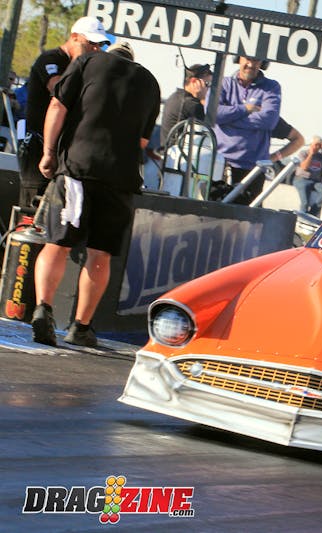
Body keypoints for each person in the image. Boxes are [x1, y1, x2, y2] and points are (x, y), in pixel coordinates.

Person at [31, 41, 160, 347]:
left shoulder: (87, 62)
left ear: (107, 53)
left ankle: (43, 308)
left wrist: (48, 153)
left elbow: (57, 106)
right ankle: (81, 326)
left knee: (57, 243)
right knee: (100, 254)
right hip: (120, 179)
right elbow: (143, 143)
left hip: (77, 168)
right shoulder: (150, 82)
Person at [17, 16, 110, 208]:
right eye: (91, 43)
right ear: (75, 37)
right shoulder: (51, 59)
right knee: (32, 204)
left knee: (58, 207)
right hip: (37, 142)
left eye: (99, 45)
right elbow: (59, 91)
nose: (96, 49)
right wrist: (78, 64)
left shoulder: (85, 67)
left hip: (63, 148)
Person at [213, 56, 281, 205]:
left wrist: (229, 118)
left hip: (252, 170)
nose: (250, 64)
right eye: (247, 59)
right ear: (238, 59)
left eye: (256, 60)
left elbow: (269, 120)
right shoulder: (223, 83)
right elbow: (214, 113)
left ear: (263, 63)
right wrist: (246, 109)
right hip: (219, 164)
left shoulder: (271, 87)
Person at [160, 63, 213, 148]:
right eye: (208, 84)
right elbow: (209, 129)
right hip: (180, 153)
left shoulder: (175, 97)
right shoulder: (192, 105)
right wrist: (204, 99)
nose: (209, 90)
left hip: (168, 151)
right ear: (194, 82)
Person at [294, 134, 322, 216]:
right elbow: (304, 167)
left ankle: (312, 214)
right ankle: (302, 217)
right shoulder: (303, 153)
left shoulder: (320, 156)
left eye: (319, 145)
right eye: (315, 145)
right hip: (302, 179)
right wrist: (311, 154)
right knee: (305, 202)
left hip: (315, 181)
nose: (317, 147)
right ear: (311, 144)